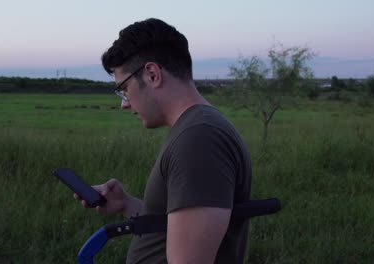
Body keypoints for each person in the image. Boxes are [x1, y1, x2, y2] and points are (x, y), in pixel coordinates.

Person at [74, 18, 252, 264]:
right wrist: (126, 204)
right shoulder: (195, 129)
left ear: (152, 74)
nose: (124, 103)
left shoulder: (199, 138)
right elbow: (176, 225)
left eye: (124, 89)